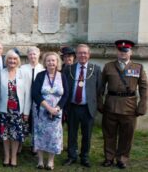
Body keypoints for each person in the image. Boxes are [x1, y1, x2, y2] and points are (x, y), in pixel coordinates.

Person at [99, 40, 147, 169]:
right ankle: (109, 158)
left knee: (127, 136)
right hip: (111, 106)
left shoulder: (138, 67)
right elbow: (101, 87)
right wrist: (100, 103)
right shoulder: (108, 66)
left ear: (130, 52)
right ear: (117, 52)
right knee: (109, 134)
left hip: (129, 108)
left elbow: (144, 88)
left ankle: (122, 159)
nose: (123, 53)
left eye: (125, 51)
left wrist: (142, 106)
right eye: (120, 51)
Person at [63, 44, 102, 168]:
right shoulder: (69, 69)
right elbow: (64, 88)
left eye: (85, 53)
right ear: (76, 55)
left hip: (88, 108)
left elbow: (99, 89)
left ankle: (84, 157)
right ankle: (71, 156)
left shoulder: (95, 69)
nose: (82, 55)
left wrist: (95, 105)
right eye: (80, 53)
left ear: (89, 55)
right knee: (72, 134)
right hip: (73, 107)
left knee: (87, 134)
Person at [32, 52, 69, 170]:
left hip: (57, 111)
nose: (51, 63)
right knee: (40, 134)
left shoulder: (62, 76)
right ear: (45, 62)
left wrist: (57, 108)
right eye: (48, 60)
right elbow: (35, 94)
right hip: (41, 111)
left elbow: (66, 94)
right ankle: (40, 161)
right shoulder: (40, 75)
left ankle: (50, 161)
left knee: (54, 136)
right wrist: (48, 108)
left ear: (57, 62)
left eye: (53, 60)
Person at [0, 49, 31, 167]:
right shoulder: (1, 73)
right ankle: (6, 156)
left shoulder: (23, 73)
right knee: (5, 134)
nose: (12, 61)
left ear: (18, 61)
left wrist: (26, 112)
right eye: (10, 58)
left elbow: (28, 94)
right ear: (6, 60)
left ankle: (14, 156)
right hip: (3, 109)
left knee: (16, 135)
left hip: (17, 110)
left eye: (15, 59)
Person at [20, 46, 45, 154]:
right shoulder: (22, 68)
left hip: (38, 100)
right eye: (30, 54)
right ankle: (19, 144)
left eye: (34, 54)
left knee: (37, 122)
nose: (32, 56)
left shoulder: (43, 69)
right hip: (25, 98)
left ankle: (35, 145)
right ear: (28, 56)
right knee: (22, 122)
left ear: (39, 55)